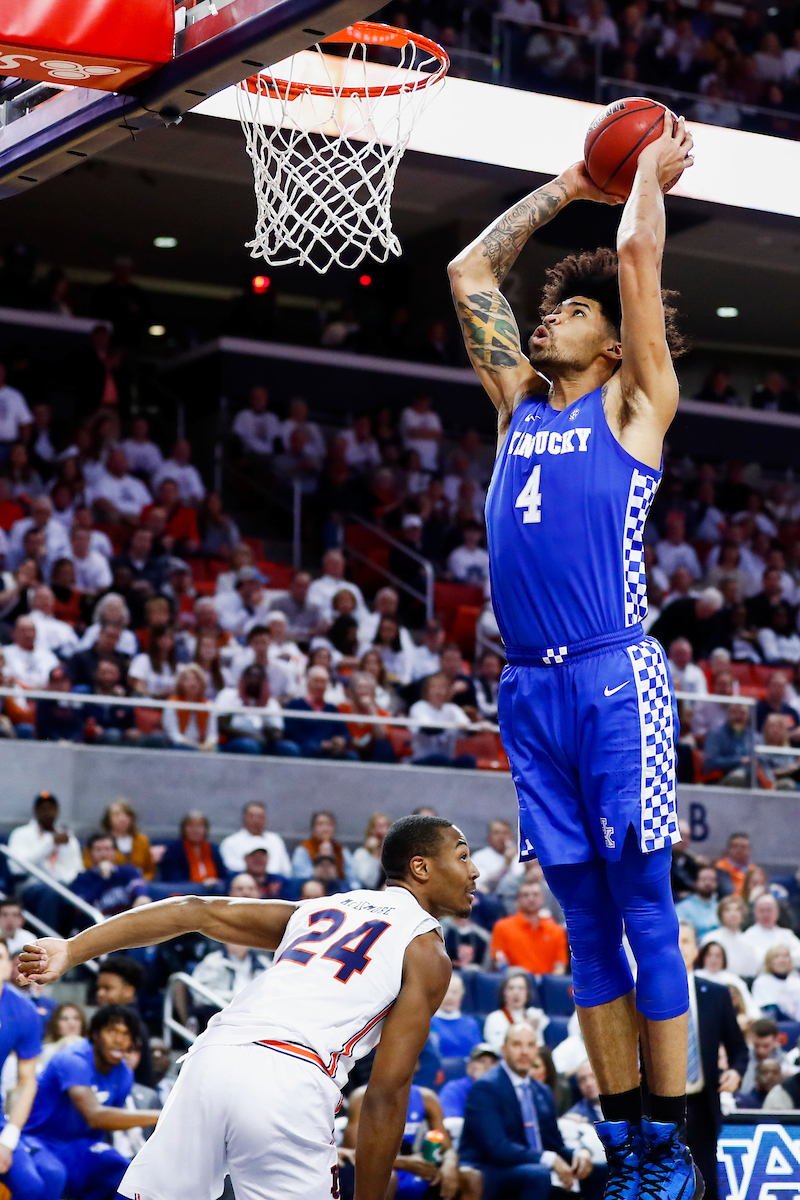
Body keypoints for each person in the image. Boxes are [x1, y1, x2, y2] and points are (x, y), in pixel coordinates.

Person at [450, 119, 699, 1196]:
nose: (547, 318)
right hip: (528, 687)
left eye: (571, 309)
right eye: (547, 307)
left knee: (642, 904)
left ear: (608, 343)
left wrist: (641, 175)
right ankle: (631, 1143)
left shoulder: (635, 404)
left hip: (610, 674)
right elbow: (469, 269)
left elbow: (638, 256)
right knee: (583, 920)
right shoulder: (514, 409)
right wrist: (565, 182)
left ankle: (679, 1144)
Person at [20, 814, 480, 1200]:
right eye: (462, 856)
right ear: (420, 867)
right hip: (291, 1076)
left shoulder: (321, 907)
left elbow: (194, 910)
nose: (474, 870)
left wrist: (73, 949)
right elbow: (387, 1093)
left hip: (211, 1058)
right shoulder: (425, 949)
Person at [23, 1005, 160, 1199]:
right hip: (41, 1140)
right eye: (112, 1031)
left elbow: (113, 1121)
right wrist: (163, 1115)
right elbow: (95, 1117)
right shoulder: (73, 1059)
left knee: (132, 1176)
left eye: (126, 1034)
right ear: (95, 1034)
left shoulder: (124, 1074)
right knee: (52, 1174)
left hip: (83, 1146)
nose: (119, 1040)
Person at [460, 1022, 595, 1200]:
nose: (525, 1051)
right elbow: (497, 1148)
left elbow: (554, 1145)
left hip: (531, 1164)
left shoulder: (542, 1090)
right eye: (517, 1044)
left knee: (596, 1171)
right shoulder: (485, 1088)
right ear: (504, 1049)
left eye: (531, 1045)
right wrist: (549, 1160)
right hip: (489, 1168)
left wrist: (580, 1154)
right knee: (538, 1174)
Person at [676, 922, 748, 1200]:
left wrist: (736, 1072)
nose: (678, 947)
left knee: (706, 1186)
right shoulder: (643, 992)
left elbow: (739, 1050)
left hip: (702, 1105)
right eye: (673, 940)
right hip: (657, 1107)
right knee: (661, 1186)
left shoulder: (717, 994)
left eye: (685, 941)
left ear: (696, 950)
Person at [343, 1071, 481, 1200]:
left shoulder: (426, 1098)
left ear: (417, 1065)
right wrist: (404, 1163)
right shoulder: (361, 1097)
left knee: (471, 1178)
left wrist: (449, 1164)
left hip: (416, 1166)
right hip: (381, 1169)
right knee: (387, 1178)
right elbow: (352, 1155)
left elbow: (447, 1148)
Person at [0, 937, 62, 1199]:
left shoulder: (24, 1011)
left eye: (0, 957)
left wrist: (8, 1139)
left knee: (37, 1183)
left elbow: (27, 1082)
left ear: (9, 966)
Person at [8, 792, 83, 930]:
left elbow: (77, 868)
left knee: (82, 893)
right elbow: (16, 867)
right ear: (35, 811)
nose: (47, 813)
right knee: (50, 892)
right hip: (30, 886)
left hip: (63, 885)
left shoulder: (68, 838)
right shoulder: (21, 834)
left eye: (51, 809)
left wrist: (63, 882)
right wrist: (49, 843)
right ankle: (47, 940)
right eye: (43, 809)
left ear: (57, 811)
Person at [490, 882, 568, 975]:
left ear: (542, 899)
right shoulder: (502, 927)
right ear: (518, 900)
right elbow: (498, 963)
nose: (531, 899)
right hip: (515, 983)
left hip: (545, 984)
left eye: (535, 895)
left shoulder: (556, 930)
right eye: (525, 895)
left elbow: (560, 965)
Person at [283, 664, 358, 760]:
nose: (320, 685)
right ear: (308, 682)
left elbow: (344, 732)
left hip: (330, 750)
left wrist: (341, 740)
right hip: (305, 748)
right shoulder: (295, 705)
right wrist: (320, 744)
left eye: (323, 682)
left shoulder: (331, 709)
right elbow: (292, 732)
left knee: (352, 756)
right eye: (316, 681)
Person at [409, 672, 476, 768]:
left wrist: (480, 725)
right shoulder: (419, 707)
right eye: (434, 688)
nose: (438, 692)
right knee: (438, 759)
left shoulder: (452, 708)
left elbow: (466, 726)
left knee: (468, 760)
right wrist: (454, 727)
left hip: (447, 760)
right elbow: (428, 729)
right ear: (427, 691)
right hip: (423, 760)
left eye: (441, 688)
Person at [218, 801, 292, 878]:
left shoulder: (276, 840)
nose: (256, 820)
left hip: (275, 885)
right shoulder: (230, 842)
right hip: (245, 884)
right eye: (252, 816)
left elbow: (286, 870)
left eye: (260, 817)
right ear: (244, 818)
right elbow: (233, 869)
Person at [483, 969, 548, 1053]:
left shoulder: (535, 1016)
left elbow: (540, 1047)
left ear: (527, 993)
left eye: (521, 988)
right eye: (511, 988)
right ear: (503, 993)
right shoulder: (494, 1018)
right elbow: (497, 1049)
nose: (516, 993)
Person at [694, 941, 761, 1022]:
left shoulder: (733, 979)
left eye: (718, 956)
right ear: (703, 957)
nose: (713, 960)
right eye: (709, 955)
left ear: (724, 959)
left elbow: (749, 1005)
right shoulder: (695, 977)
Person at [290, 810, 357, 888]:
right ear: (313, 828)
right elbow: (300, 877)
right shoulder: (303, 850)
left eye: (328, 825)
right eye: (320, 824)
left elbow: (352, 878)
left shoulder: (342, 851)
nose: (325, 829)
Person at [159, 811, 227, 889]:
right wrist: (201, 885)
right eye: (191, 826)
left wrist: (215, 882)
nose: (195, 830)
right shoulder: (173, 850)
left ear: (206, 829)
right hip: (186, 893)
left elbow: (223, 876)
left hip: (213, 892)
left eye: (199, 826)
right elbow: (172, 879)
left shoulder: (213, 849)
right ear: (184, 829)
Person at [96, 798, 155, 881]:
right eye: (117, 815)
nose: (122, 819)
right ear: (108, 819)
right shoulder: (100, 842)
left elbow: (150, 870)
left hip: (140, 886)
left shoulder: (142, 841)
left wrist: (141, 882)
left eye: (126, 815)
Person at [742, 893, 800, 970]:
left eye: (769, 910)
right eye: (762, 911)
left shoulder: (787, 934)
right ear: (755, 913)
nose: (765, 914)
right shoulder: (748, 936)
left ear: (777, 911)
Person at [431, 973, 484, 1058]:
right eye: (445, 992)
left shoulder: (471, 1023)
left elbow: (477, 1053)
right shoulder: (429, 1021)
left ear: (461, 994)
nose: (449, 997)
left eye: (454, 992)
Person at [472, 819, 525, 895]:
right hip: (491, 898)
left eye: (505, 833)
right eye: (497, 833)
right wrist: (507, 864)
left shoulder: (518, 857)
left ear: (511, 837)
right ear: (489, 838)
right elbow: (484, 885)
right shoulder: (479, 857)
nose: (501, 837)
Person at [752, 944, 800, 1020]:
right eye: (777, 957)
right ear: (769, 961)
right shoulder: (762, 983)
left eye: (785, 956)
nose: (782, 960)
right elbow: (769, 1012)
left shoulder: (796, 982)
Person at [675, 865, 721, 940]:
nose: (708, 883)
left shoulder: (719, 907)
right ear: (696, 882)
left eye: (712, 880)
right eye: (704, 879)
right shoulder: (683, 907)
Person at [352, 813, 392, 890]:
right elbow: (369, 882)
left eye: (385, 826)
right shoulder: (361, 854)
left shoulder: (394, 854)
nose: (383, 831)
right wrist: (374, 855)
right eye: (379, 826)